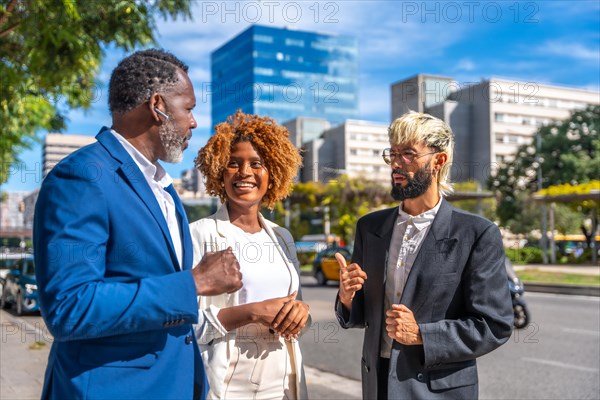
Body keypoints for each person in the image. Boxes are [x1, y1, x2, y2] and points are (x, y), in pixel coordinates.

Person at [33, 49, 243, 400]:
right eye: (189, 108)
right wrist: (194, 282)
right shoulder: (82, 176)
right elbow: (69, 306)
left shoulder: (162, 186)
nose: (194, 122)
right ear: (158, 105)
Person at [334, 111, 513, 399]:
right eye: (392, 153)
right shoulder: (369, 227)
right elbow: (362, 314)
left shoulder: (476, 233)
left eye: (407, 154)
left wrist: (422, 335)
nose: (395, 163)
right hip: (377, 383)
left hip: (438, 391)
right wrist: (346, 297)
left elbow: (495, 325)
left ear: (438, 160)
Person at [190, 111, 310, 399]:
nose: (245, 172)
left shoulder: (283, 237)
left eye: (257, 164)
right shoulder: (200, 234)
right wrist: (252, 312)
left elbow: (295, 310)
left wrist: (301, 314)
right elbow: (185, 326)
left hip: (283, 382)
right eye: (234, 163)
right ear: (219, 171)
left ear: (273, 173)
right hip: (229, 383)